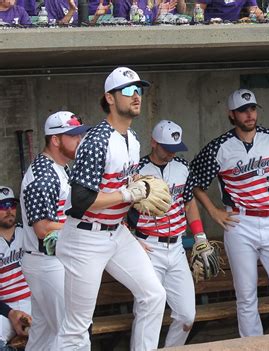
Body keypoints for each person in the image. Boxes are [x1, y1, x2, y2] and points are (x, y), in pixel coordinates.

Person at [55, 67, 166, 351]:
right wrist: (127, 192)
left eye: (139, 90)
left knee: (153, 296)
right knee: (76, 328)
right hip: (85, 238)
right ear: (110, 98)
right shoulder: (97, 139)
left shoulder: (133, 139)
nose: (136, 96)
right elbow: (80, 200)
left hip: (115, 233)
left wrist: (139, 191)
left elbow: (124, 189)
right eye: (129, 91)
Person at [189, 89, 269, 337]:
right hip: (239, 223)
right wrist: (213, 211)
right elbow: (193, 181)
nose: (249, 114)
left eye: (252, 108)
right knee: (245, 295)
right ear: (232, 115)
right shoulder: (219, 147)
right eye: (243, 110)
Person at [127, 120, 207, 347]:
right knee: (146, 311)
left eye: (175, 148)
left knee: (186, 315)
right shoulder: (137, 171)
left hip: (177, 247)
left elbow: (189, 203)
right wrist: (131, 240)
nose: (172, 153)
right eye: (167, 148)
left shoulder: (183, 166)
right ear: (153, 142)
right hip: (148, 246)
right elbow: (120, 210)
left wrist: (200, 235)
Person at [20, 111, 89, 351]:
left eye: (80, 134)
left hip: (53, 262)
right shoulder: (43, 175)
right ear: (56, 139)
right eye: (73, 135)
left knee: (44, 336)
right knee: (74, 337)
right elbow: (42, 228)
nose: (79, 140)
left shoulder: (62, 169)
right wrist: (86, 228)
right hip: (47, 263)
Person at [0, 187, 32, 348]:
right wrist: (10, 313)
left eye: (11, 205)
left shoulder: (28, 233)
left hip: (34, 302)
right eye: (2, 206)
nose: (8, 210)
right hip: (4, 309)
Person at [195, 0, 264, 22]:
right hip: (210, 28)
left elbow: (254, 10)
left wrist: (249, 19)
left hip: (232, 29)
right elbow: (198, 10)